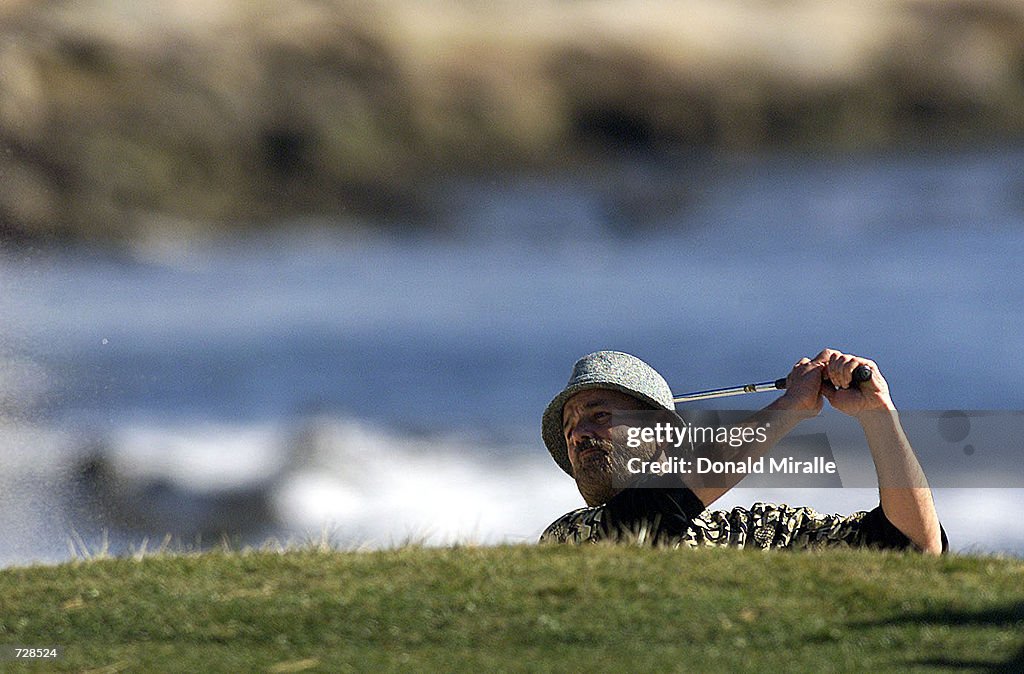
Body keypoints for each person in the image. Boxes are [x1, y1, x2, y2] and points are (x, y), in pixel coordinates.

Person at [539, 349, 947, 553]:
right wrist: (791, 407)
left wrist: (878, 414)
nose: (578, 435)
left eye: (600, 416)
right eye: (570, 427)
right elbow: (650, 515)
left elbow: (911, 546)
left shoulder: (759, 533)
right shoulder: (567, 538)